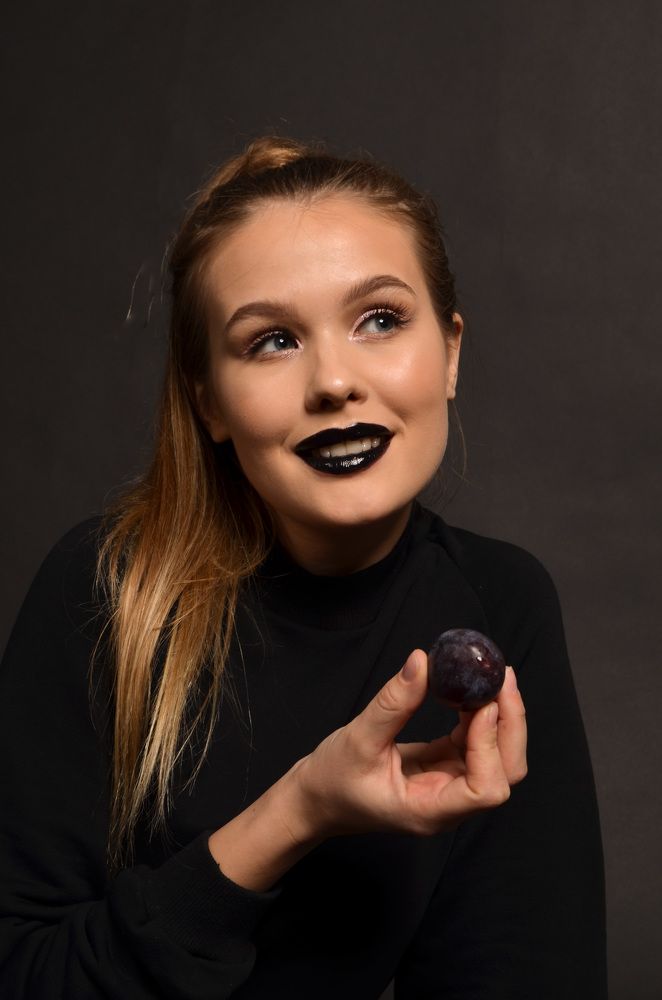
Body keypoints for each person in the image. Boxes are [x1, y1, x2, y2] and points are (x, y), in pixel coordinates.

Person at [0, 136, 607, 999]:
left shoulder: (499, 604)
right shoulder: (106, 592)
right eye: (273, 341)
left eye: (380, 320)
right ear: (210, 401)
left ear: (451, 352)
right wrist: (299, 812)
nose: (333, 382)